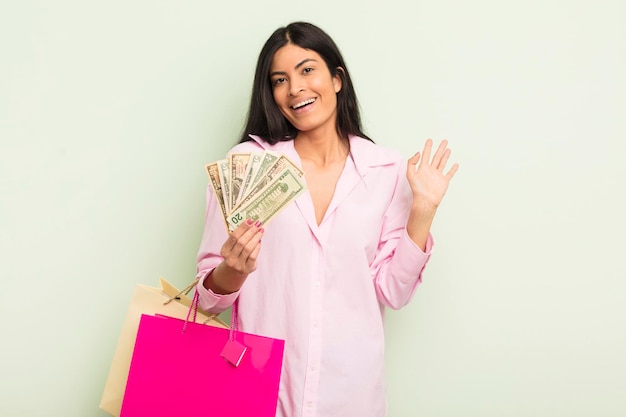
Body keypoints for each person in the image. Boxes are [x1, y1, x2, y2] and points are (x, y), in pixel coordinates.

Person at [195, 21, 458, 417]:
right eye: (279, 80)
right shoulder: (246, 166)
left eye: (306, 70)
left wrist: (423, 211)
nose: (295, 88)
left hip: (351, 393)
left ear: (337, 79)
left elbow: (393, 292)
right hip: (261, 389)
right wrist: (233, 270)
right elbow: (205, 300)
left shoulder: (386, 171)